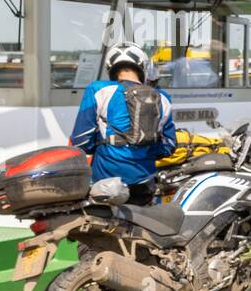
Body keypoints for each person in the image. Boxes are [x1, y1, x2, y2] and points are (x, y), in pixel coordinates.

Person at [69, 42, 177, 206]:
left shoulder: (98, 90)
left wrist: (102, 144)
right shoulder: (162, 98)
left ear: (110, 67)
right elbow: (169, 146)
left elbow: (81, 141)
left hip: (106, 180)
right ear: (142, 66)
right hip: (144, 181)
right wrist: (144, 148)